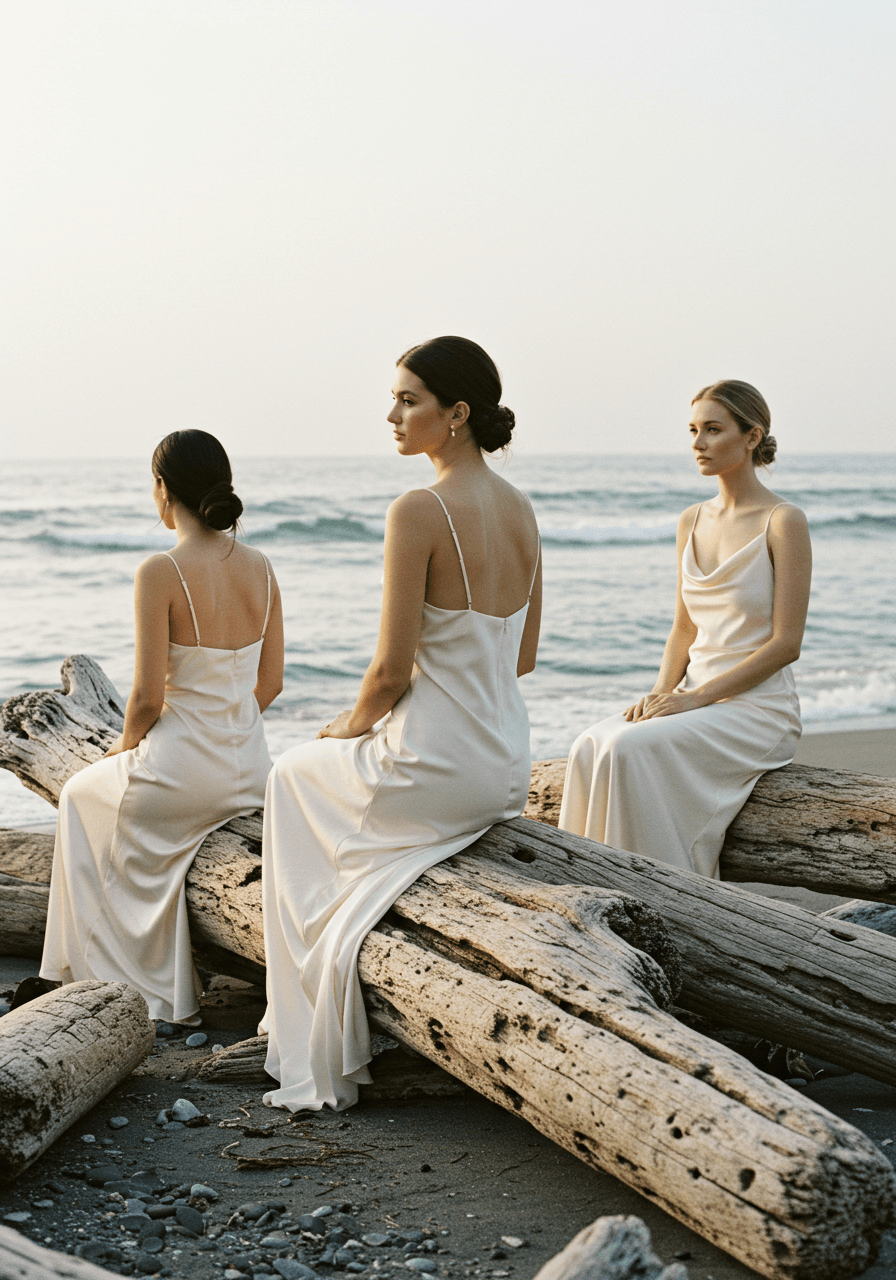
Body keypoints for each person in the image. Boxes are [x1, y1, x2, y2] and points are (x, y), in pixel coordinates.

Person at [260, 336, 542, 1112]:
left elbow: (389, 674)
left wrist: (346, 726)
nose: (392, 414)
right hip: (505, 762)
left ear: (456, 414)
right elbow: (522, 657)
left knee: (290, 774)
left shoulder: (419, 509)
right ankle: (325, 979)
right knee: (316, 785)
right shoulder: (522, 510)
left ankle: (302, 1020)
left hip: (435, 765)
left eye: (408, 399)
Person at [40, 430, 284, 1024]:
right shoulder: (262, 567)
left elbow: (148, 697)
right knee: (111, 807)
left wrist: (122, 751)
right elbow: (270, 685)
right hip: (250, 771)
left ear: (162, 490)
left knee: (78, 794)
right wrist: (225, 729)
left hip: (179, 775)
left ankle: (91, 978)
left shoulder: (161, 570)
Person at [559, 380, 811, 878]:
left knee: (629, 749)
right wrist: (660, 694)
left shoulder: (784, 521)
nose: (698, 443)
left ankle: (664, 894)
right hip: (692, 698)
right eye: (693, 430)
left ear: (752, 436)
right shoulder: (691, 520)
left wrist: (695, 700)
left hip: (758, 711)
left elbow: (786, 645)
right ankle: (590, 886)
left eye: (713, 430)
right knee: (590, 745)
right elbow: (683, 630)